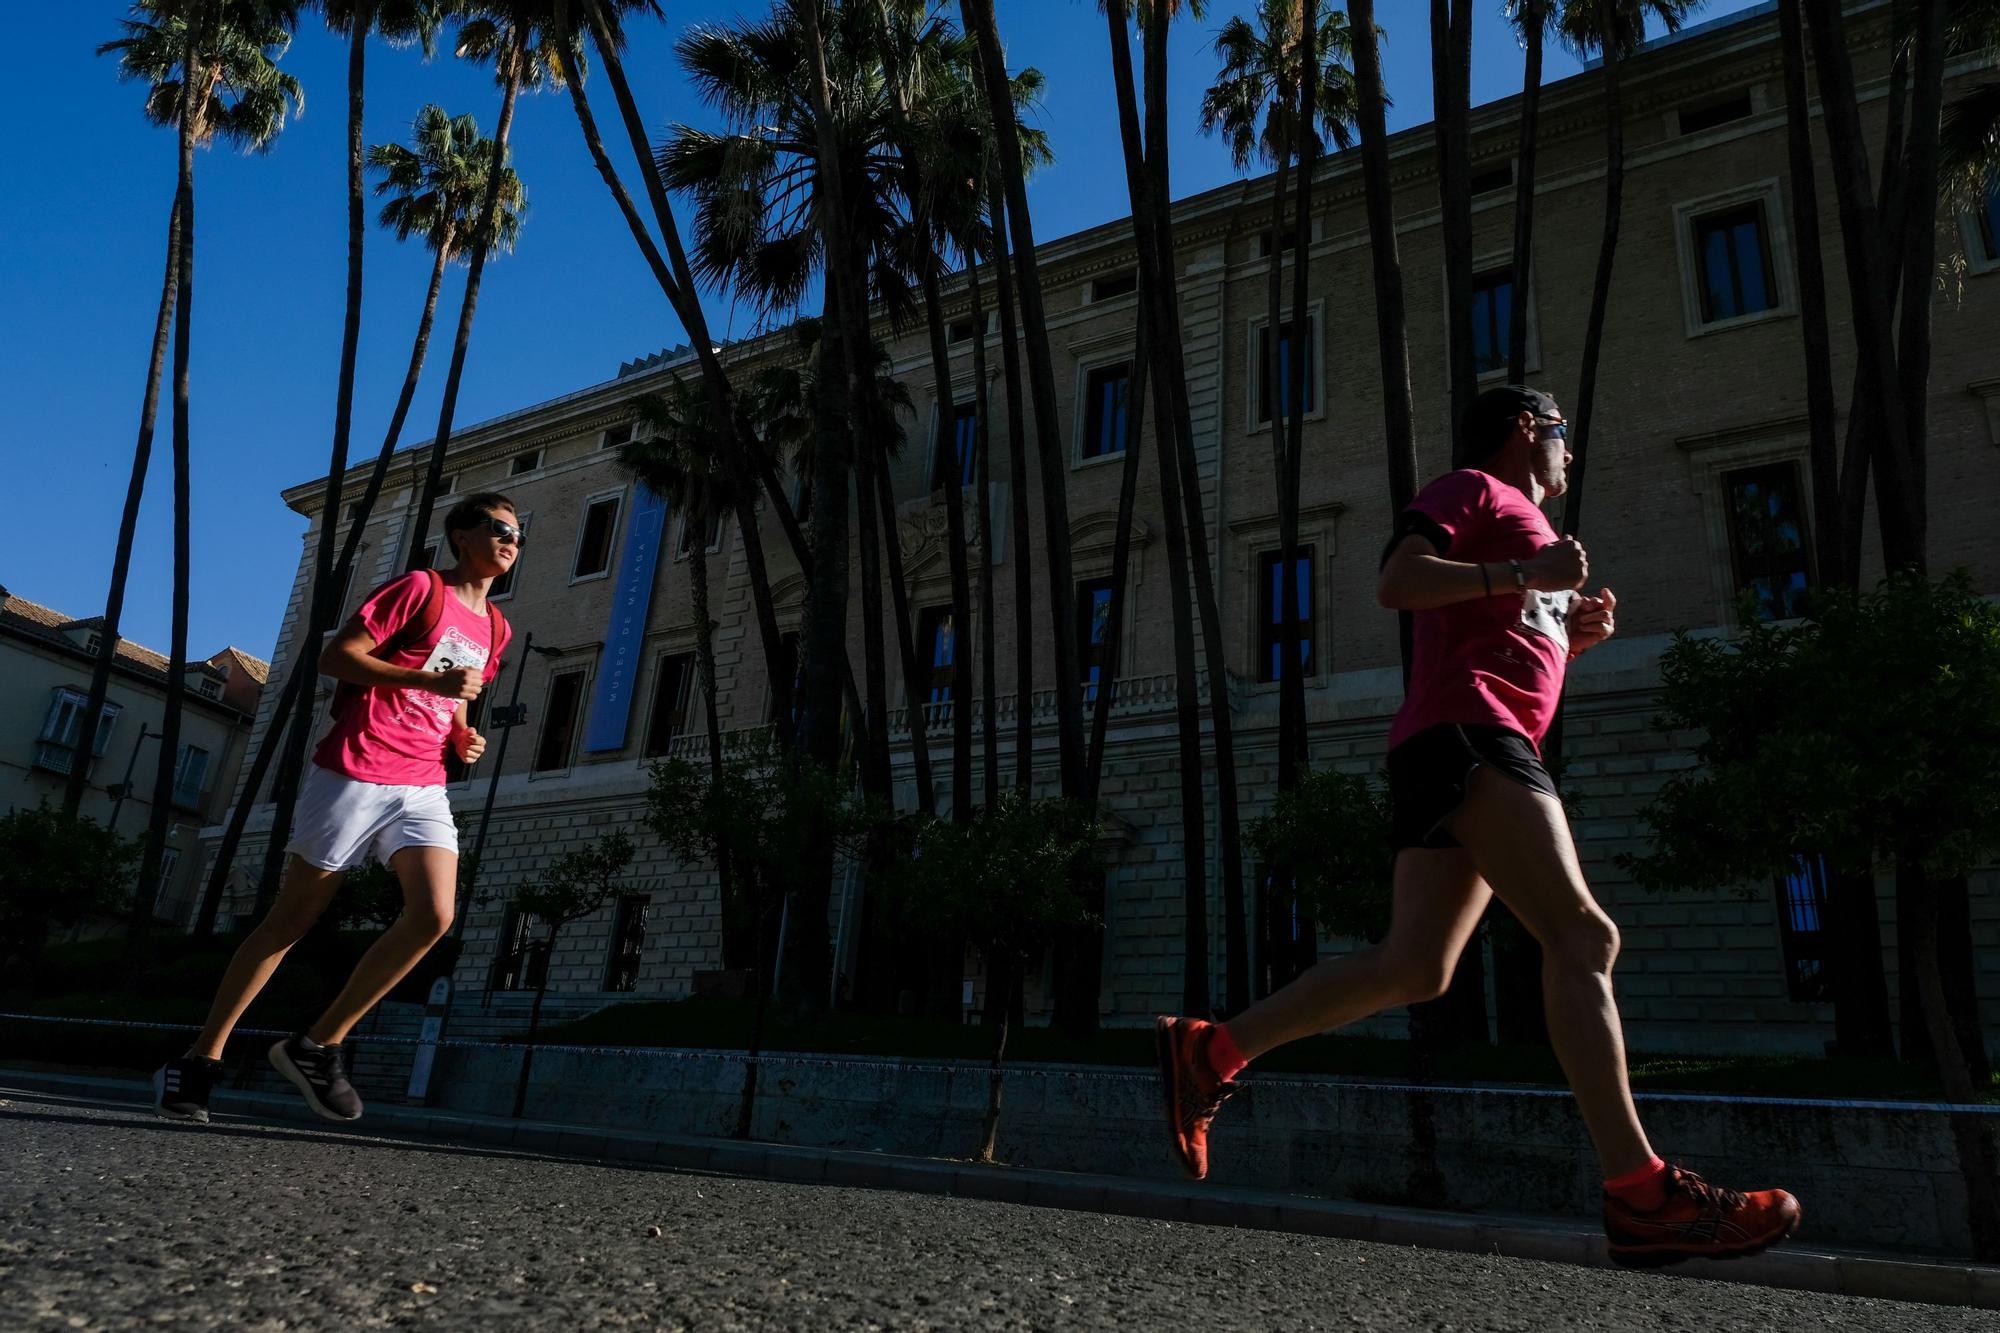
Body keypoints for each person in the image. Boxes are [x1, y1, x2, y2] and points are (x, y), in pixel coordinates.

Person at [1153, 387, 1801, 1267]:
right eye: (1564, 436)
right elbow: (1398, 581)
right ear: (1530, 429)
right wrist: (1525, 576)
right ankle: (1642, 1194)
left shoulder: (1523, 528)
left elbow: (1494, 628)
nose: (1570, 455)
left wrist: (1571, 635)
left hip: (1460, 735)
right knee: (1583, 934)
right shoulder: (1476, 489)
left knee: (1416, 965)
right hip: (1471, 731)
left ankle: (1211, 1050)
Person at [154, 494, 519, 1125]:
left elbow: (460, 693)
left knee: (434, 914)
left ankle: (317, 1045)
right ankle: (198, 1061)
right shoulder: (419, 588)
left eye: (518, 534)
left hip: (423, 782)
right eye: (499, 528)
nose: (512, 541)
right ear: (462, 536)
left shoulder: (498, 626)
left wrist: (462, 731)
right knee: (291, 920)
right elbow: (335, 657)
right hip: (355, 766)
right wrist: (427, 684)